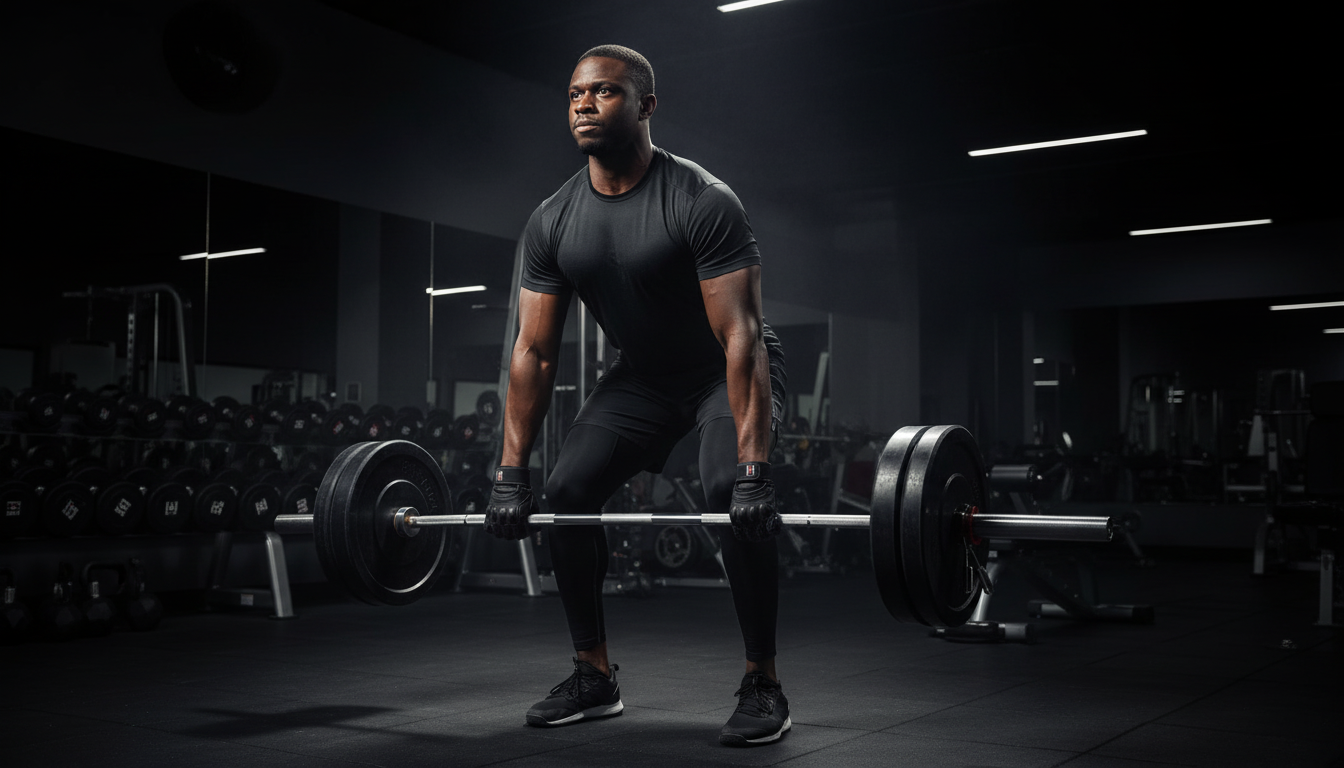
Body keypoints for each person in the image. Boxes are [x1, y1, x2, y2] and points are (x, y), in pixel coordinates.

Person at [483, 44, 790, 747]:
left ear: (647, 106)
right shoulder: (552, 220)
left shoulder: (701, 200)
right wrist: (510, 472)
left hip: (724, 367)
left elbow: (741, 337)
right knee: (568, 490)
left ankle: (763, 680)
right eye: (573, 95)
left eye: (604, 92)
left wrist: (752, 472)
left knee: (724, 495)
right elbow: (531, 351)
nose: (584, 104)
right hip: (644, 377)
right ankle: (594, 675)